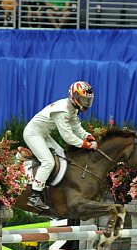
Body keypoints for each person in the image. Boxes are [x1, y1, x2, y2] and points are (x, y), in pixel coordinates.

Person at [23, 81, 97, 211]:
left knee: (62, 156)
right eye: (82, 99)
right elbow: (67, 136)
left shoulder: (72, 107)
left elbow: (76, 127)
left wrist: (87, 135)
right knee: (48, 162)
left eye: (87, 100)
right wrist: (85, 145)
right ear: (74, 96)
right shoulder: (62, 111)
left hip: (43, 134)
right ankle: (35, 196)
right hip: (33, 134)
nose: (85, 103)